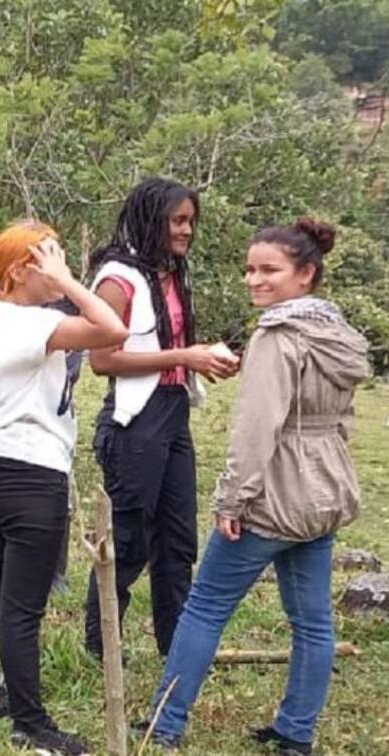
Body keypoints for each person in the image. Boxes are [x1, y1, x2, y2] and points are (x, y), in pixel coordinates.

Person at [140, 219, 369, 754]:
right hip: (324, 490)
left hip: (273, 492)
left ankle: (166, 724)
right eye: (249, 269)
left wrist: (232, 498)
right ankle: (297, 731)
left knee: (204, 608)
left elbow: (256, 428)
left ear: (305, 274)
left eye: (269, 270)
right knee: (312, 621)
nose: (254, 280)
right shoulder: (337, 332)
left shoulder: (278, 336)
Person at [0, 223, 127, 756]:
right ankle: (30, 723)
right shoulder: (29, 323)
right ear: (19, 272)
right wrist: (69, 280)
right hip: (29, 476)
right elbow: (113, 329)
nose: (57, 265)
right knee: (21, 607)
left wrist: (54, 275)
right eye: (46, 257)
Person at [83, 177, 239, 659]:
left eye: (191, 221)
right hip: (135, 421)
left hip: (173, 415)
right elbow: (102, 361)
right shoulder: (117, 279)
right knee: (128, 540)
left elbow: (168, 349)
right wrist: (182, 356)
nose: (187, 230)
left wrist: (201, 360)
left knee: (177, 541)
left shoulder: (173, 273)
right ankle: (102, 644)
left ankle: (176, 648)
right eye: (178, 220)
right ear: (153, 220)